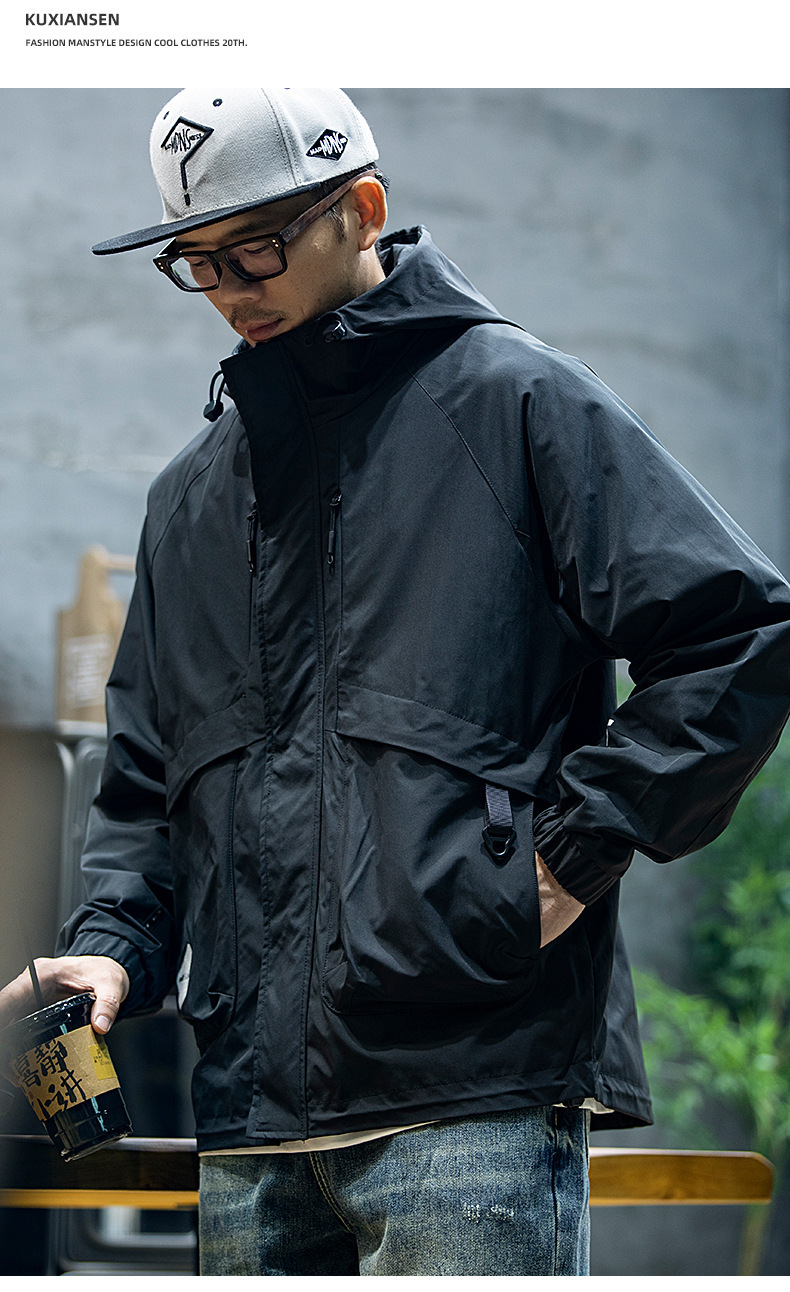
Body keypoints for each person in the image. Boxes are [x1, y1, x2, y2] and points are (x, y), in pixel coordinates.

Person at [2, 87, 790, 1276]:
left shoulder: (516, 401)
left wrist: (566, 859)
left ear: (361, 209)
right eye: (196, 261)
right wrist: (113, 943)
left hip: (470, 1095)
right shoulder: (191, 499)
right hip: (251, 1120)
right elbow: (147, 787)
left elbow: (736, 628)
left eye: (255, 248)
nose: (227, 288)